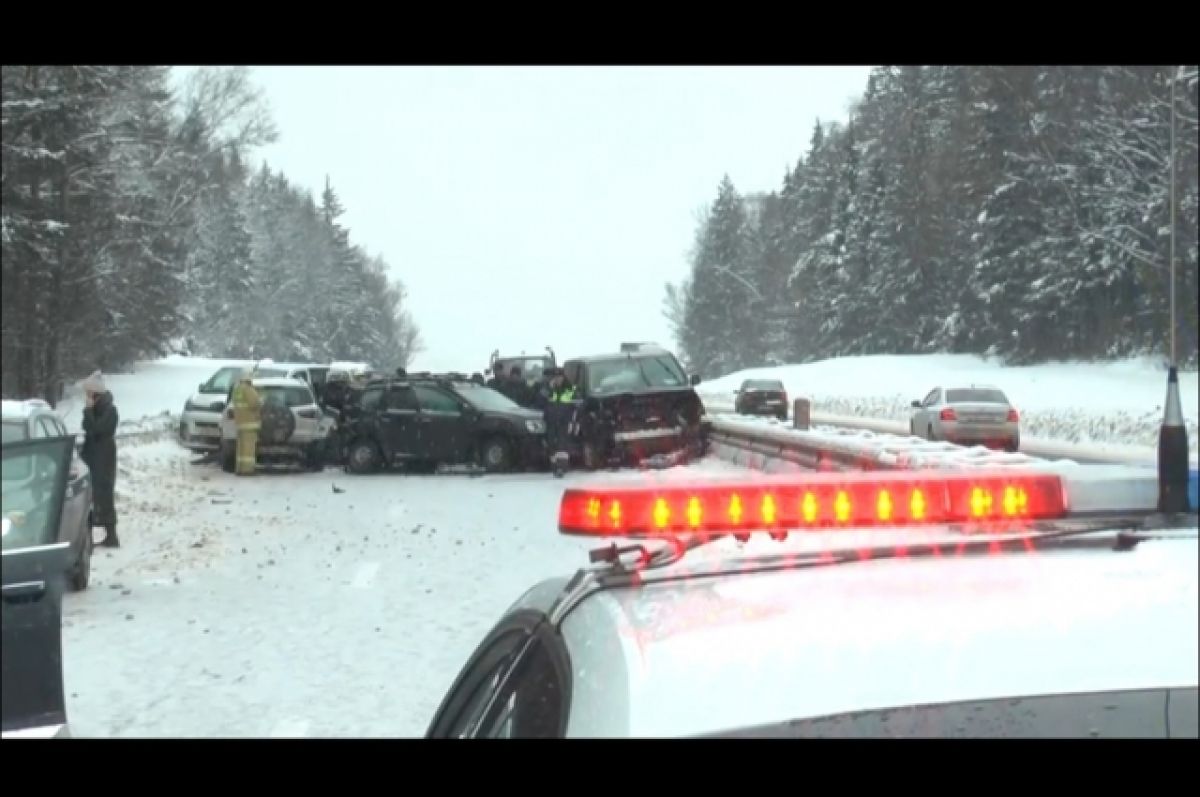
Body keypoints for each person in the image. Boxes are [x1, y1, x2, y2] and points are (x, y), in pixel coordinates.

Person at [80, 371, 119, 548]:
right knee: (93, 493)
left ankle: (111, 534)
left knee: (104, 491)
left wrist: (88, 411)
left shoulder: (110, 410)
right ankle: (95, 533)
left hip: (103, 455)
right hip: (94, 454)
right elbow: (87, 427)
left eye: (89, 393)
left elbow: (97, 428)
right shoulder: (96, 409)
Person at [231, 372, 262, 476]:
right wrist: (260, 401)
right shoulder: (248, 389)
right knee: (249, 449)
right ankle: (248, 470)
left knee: (241, 449)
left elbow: (236, 404)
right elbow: (254, 403)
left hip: (240, 422)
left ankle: (240, 468)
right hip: (249, 422)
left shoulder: (237, 389)